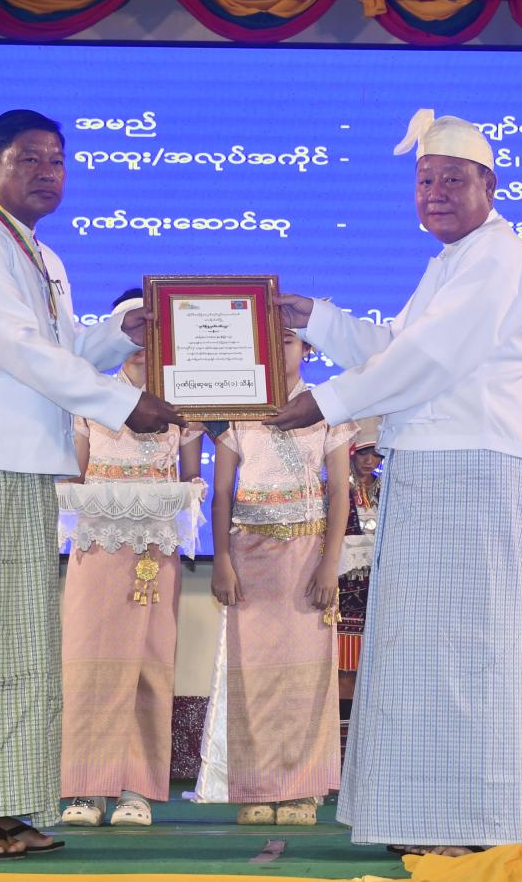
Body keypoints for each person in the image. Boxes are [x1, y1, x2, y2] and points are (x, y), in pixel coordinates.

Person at [0, 109, 184, 861]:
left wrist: (124, 331)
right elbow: (17, 348)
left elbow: (62, 348)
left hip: (23, 464)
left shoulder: (41, 255)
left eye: (57, 160)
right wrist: (125, 402)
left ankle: (1, 805)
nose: (47, 173)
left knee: (18, 645)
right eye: (29, 159)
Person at [267, 108, 522, 857]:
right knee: (420, 652)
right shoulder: (451, 263)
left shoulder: (499, 258)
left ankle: (466, 826)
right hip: (435, 470)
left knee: (462, 654)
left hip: (473, 470)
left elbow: (427, 361)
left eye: (452, 179)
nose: (435, 193)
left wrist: (322, 403)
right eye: (424, 180)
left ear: (489, 186)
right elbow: (398, 345)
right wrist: (316, 319)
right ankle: (424, 818)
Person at [58, 289, 207, 829]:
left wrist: (183, 496)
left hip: (154, 549)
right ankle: (85, 790)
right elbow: (75, 476)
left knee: (149, 661)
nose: (143, 343)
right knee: (88, 662)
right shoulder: (88, 396)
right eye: (133, 331)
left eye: (151, 331)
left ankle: (136, 790)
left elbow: (193, 479)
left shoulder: (181, 403)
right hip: (97, 546)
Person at [193, 329, 355, 826]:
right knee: (253, 673)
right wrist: (222, 559)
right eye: (273, 340)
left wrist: (329, 563)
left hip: (307, 556)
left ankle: (303, 791)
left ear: (308, 349)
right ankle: (255, 786)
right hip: (249, 555)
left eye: (290, 341)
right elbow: (223, 492)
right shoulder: (239, 407)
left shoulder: (328, 407)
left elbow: (339, 492)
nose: (280, 349)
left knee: (307, 674)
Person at [337, 418, 383, 706]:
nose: (369, 461)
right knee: (343, 665)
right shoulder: (336, 488)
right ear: (351, 452)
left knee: (374, 668)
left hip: (379, 587)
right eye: (363, 453)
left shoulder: (388, 488)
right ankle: (341, 727)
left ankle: (365, 726)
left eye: (376, 454)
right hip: (343, 586)